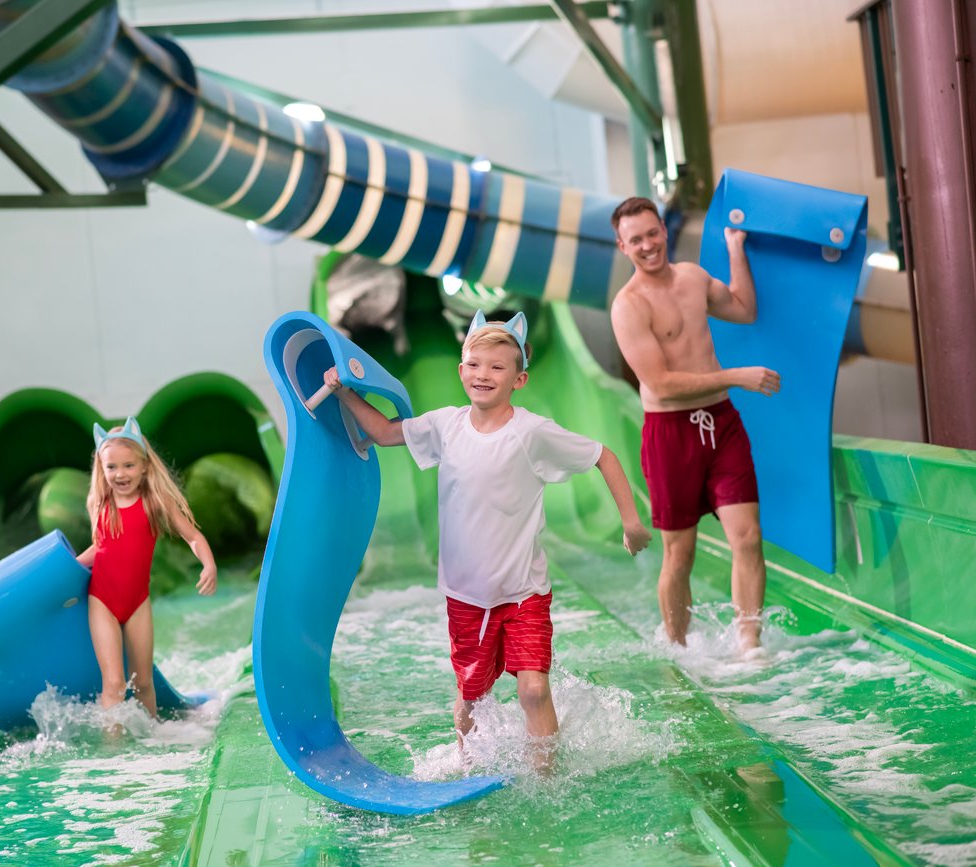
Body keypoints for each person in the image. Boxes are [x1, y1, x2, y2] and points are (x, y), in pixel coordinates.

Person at [323, 310, 650, 769]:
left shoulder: (532, 433)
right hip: (467, 595)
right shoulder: (445, 425)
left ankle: (546, 779)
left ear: (519, 379)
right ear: (461, 371)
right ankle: (468, 764)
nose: (484, 375)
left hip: (524, 592)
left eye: (497, 367)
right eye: (475, 365)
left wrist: (631, 522)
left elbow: (604, 456)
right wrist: (342, 390)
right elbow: (381, 432)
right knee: (472, 698)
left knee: (534, 688)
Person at [608, 196, 780, 652]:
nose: (647, 245)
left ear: (664, 231)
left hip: (721, 424)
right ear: (622, 245)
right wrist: (736, 377)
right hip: (671, 434)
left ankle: (750, 646)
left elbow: (744, 309)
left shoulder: (693, 278)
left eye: (652, 233)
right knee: (679, 555)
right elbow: (660, 384)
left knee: (747, 536)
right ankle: (679, 649)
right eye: (636, 240)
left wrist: (736, 247)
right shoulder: (628, 306)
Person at [76, 417, 217, 720]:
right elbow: (102, 547)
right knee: (113, 683)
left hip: (137, 603)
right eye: (111, 467)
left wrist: (209, 564)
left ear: (144, 467)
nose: (120, 474)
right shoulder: (99, 502)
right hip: (102, 600)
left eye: (128, 465)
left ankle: (152, 745)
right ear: (101, 469)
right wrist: (67, 569)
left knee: (143, 683)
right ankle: (112, 751)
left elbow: (192, 536)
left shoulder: (154, 502)